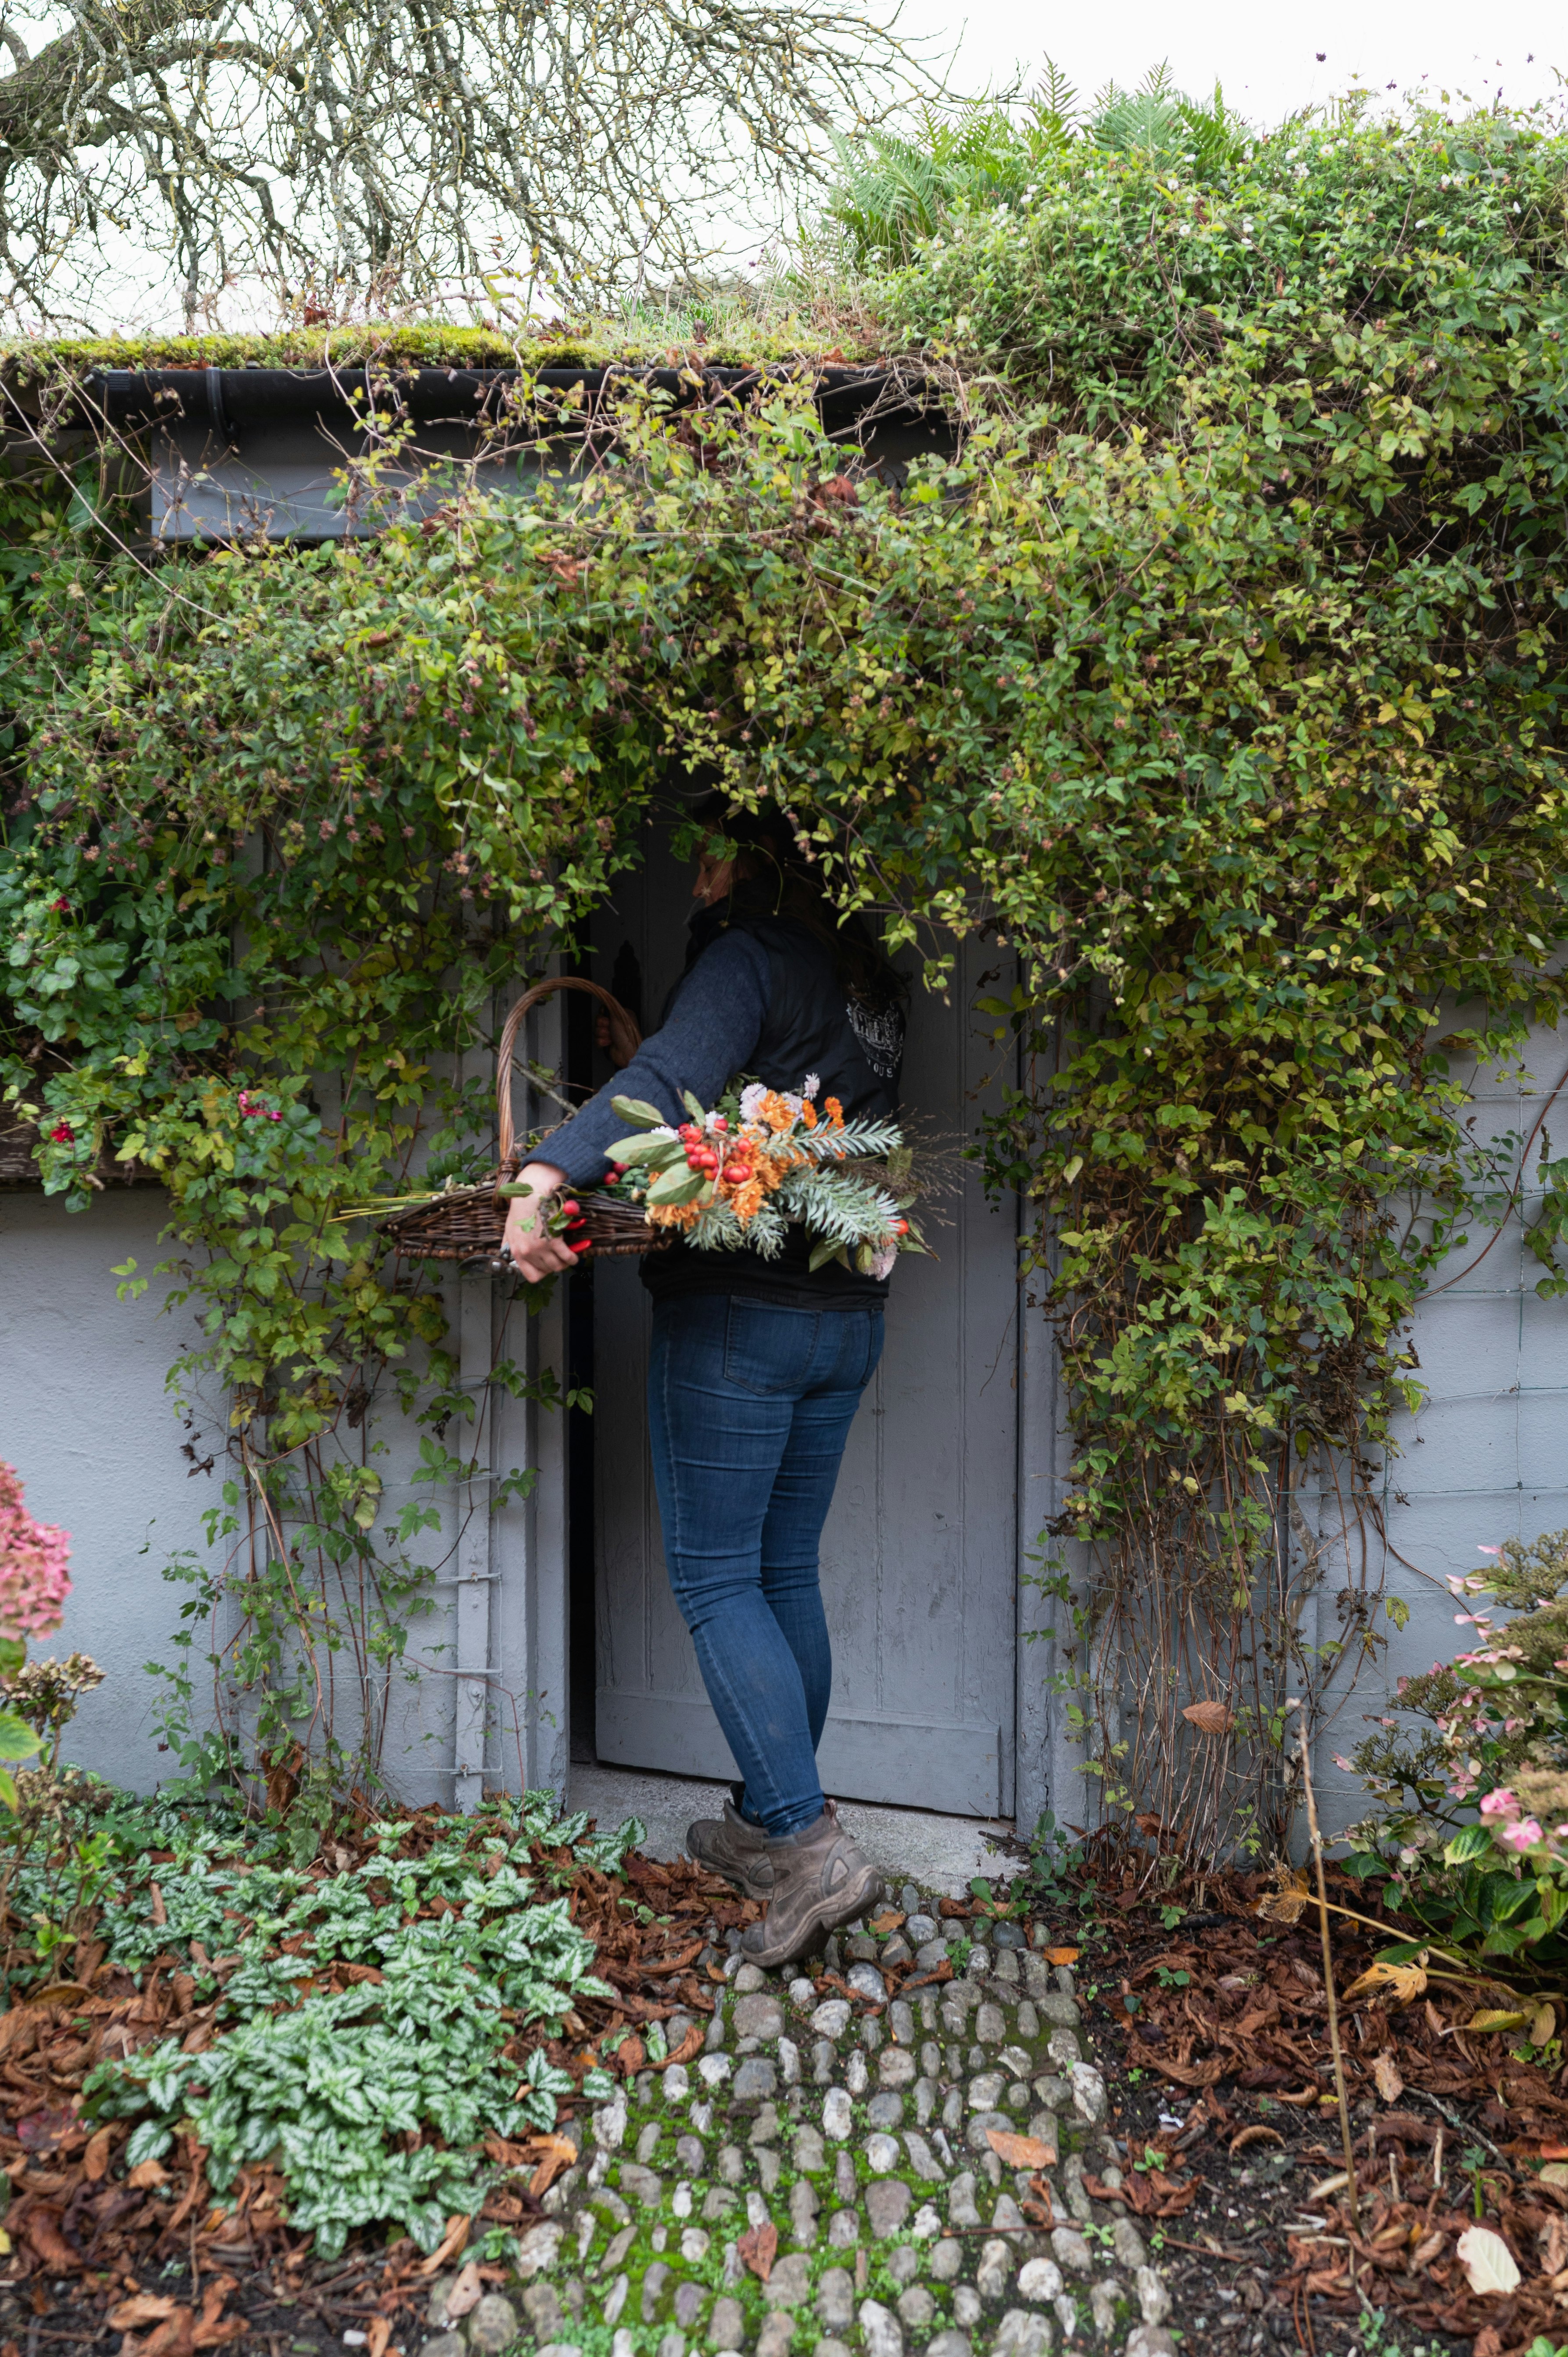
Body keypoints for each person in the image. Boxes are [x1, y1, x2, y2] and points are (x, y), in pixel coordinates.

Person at [502, 801, 908, 1965]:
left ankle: (806, 1842)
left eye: (713, 848)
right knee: (782, 1568)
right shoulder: (872, 983)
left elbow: (666, 1080)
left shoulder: (753, 958)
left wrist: (544, 1173)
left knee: (720, 1574)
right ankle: (761, 1820)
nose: (698, 870)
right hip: (847, 1316)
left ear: (755, 859)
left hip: (741, 1313)